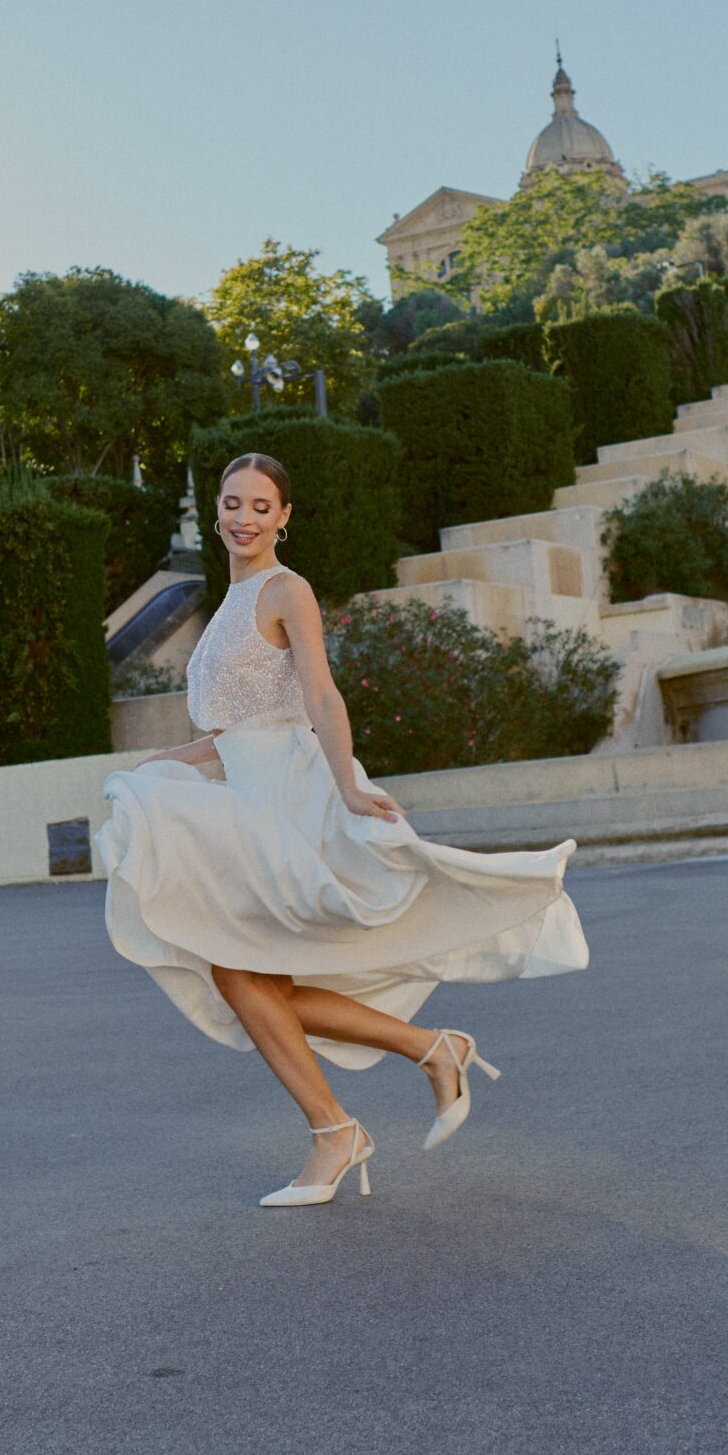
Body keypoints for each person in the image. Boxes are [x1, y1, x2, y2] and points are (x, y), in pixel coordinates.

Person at [99, 450, 588, 1208]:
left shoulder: (286, 590)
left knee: (242, 970)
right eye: (232, 503)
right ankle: (419, 1060)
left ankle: (343, 1124)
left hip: (290, 799)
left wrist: (347, 788)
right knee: (247, 975)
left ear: (284, 518)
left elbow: (321, 701)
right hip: (245, 794)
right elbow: (237, 730)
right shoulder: (225, 604)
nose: (243, 517)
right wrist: (163, 764)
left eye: (261, 506)